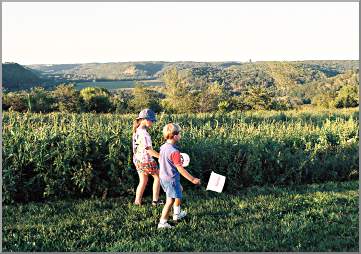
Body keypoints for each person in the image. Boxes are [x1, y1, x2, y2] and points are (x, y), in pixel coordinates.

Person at [157, 123, 201, 229]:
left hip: (163, 177)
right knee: (170, 201)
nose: (180, 135)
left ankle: (177, 214)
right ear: (175, 136)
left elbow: (161, 160)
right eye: (180, 133)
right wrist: (193, 179)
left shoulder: (163, 147)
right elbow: (180, 169)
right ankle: (163, 223)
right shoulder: (175, 151)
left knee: (179, 190)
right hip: (171, 179)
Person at [132, 108, 163, 206]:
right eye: (152, 120)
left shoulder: (136, 131)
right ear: (144, 119)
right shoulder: (144, 134)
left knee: (143, 180)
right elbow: (149, 151)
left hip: (138, 160)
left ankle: (137, 201)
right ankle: (155, 201)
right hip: (147, 161)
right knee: (158, 177)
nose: (153, 123)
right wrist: (161, 157)